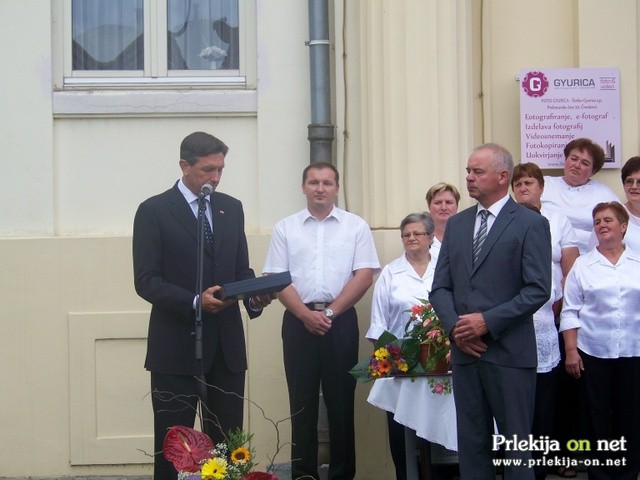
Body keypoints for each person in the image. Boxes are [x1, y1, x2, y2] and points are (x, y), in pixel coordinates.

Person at [133, 131, 272, 480]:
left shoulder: (231, 208)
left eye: (221, 169)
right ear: (184, 165)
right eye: (208, 169)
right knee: (174, 447)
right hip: (176, 347)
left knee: (228, 447)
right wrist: (195, 301)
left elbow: (240, 270)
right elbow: (147, 280)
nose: (216, 177)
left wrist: (254, 296)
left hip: (225, 348)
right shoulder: (154, 211)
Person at [430, 143, 552, 480]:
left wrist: (487, 321)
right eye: (468, 171)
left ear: (502, 176)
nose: (469, 177)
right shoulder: (457, 224)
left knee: (516, 450)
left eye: (477, 171)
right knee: (472, 446)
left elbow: (538, 289)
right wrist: (456, 329)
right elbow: (440, 287)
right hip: (466, 354)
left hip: (509, 354)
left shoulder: (530, 223)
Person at [262, 162, 380, 480]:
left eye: (327, 182)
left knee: (341, 402)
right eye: (313, 182)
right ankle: (304, 474)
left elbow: (364, 275)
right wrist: (305, 314)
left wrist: (329, 313)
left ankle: (342, 475)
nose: (320, 188)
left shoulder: (355, 226)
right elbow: (277, 278)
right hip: (297, 321)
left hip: (339, 321)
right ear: (303, 187)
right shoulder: (286, 228)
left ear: (336, 188)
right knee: (301, 402)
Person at [559, 201, 640, 480]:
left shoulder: (638, 263)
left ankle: (628, 473)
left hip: (633, 351)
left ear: (624, 227)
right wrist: (571, 351)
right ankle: (600, 474)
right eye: (597, 222)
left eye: (608, 220)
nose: (602, 225)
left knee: (631, 415)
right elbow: (570, 311)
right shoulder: (583, 265)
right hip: (593, 352)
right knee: (595, 417)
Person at [512, 163, 580, 480]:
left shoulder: (557, 219)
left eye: (529, 182)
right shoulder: (504, 220)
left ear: (541, 187)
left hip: (553, 315)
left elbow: (571, 271)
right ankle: (519, 463)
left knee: (552, 396)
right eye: (518, 183)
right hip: (513, 321)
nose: (523, 187)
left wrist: (557, 306)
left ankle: (551, 457)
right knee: (518, 400)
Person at [366, 212, 436, 480]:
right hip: (400, 363)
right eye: (406, 234)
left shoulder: (445, 268)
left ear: (431, 237)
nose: (411, 238)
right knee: (401, 427)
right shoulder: (390, 272)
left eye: (418, 233)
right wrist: (384, 361)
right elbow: (378, 323)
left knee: (435, 427)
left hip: (439, 361)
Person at [540, 138, 620, 254]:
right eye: (573, 159)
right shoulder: (544, 184)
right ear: (565, 160)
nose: (577, 165)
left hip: (588, 256)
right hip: (546, 252)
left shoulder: (604, 194)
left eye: (585, 163)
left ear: (593, 171)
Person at [588, 156, 640, 252]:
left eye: (639, 182)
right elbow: (592, 255)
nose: (634, 186)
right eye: (629, 181)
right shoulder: (611, 217)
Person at [426, 182, 461, 264]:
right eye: (438, 203)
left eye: (448, 202)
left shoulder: (468, 236)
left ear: (457, 206)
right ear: (429, 206)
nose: (444, 207)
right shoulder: (421, 238)